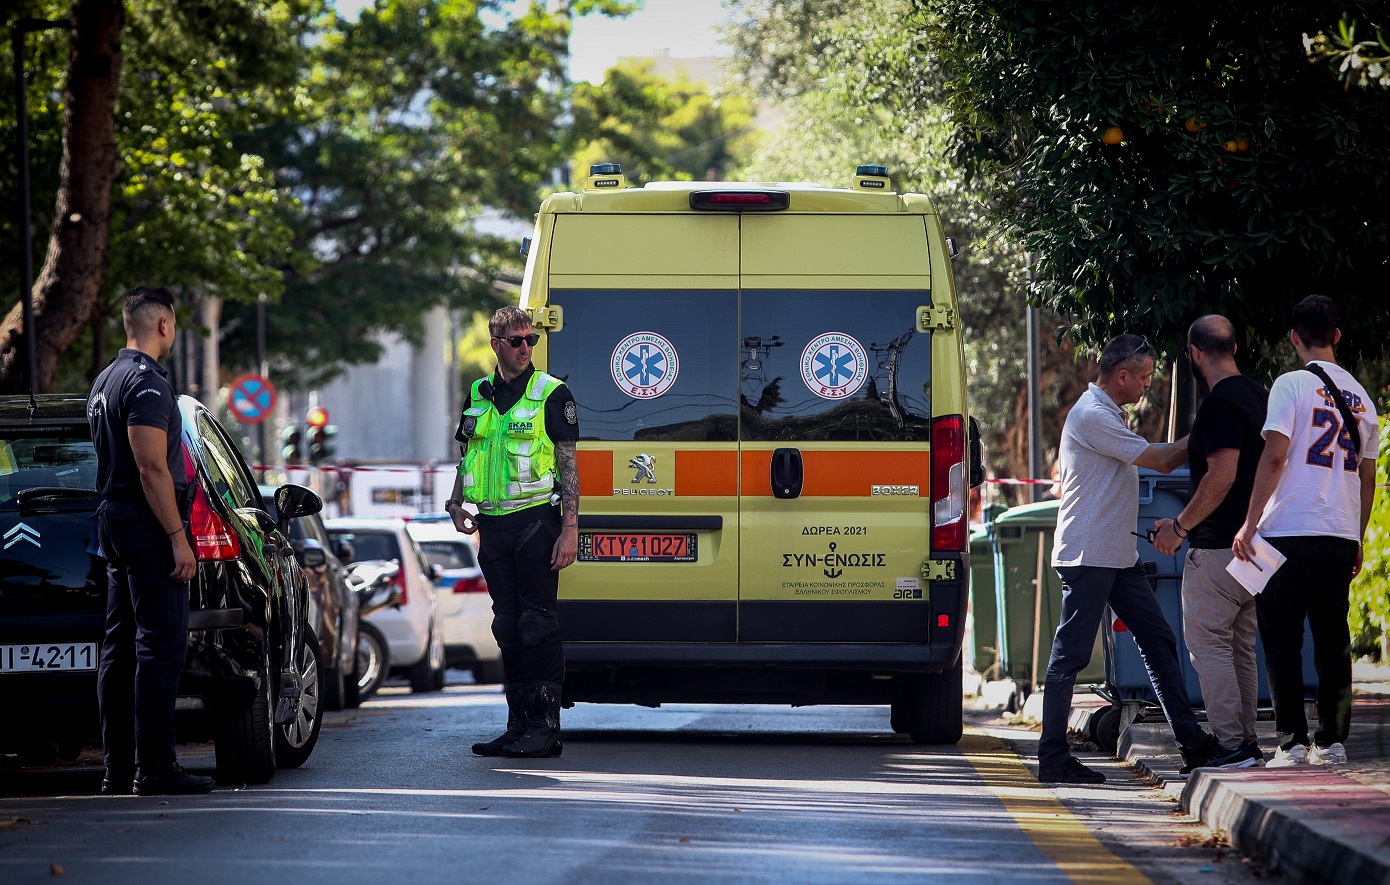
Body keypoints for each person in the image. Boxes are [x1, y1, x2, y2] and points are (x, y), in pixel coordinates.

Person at [1039, 333, 1216, 784]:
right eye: (1143, 377)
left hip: (1116, 554)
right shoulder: (1092, 415)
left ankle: (1192, 744)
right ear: (1121, 376)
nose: (1146, 386)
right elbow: (1159, 461)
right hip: (1089, 555)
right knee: (1070, 657)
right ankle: (1053, 758)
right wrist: (1210, 434)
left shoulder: (1105, 413)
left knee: (1158, 641)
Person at [1233, 294, 1379, 768]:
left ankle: (1293, 743)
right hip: (1338, 532)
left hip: (1288, 529)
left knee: (1282, 640)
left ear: (1294, 338)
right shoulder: (1363, 400)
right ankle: (1333, 741)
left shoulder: (1290, 385)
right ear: (1337, 336)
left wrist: (1250, 522)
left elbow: (1274, 456)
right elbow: (1368, 475)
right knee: (1333, 640)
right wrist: (1357, 537)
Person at [88, 287, 213, 796]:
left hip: (115, 526)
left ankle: (117, 767)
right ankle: (155, 766)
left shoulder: (104, 381)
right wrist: (177, 538)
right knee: (159, 650)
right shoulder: (146, 385)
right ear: (164, 325)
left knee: (118, 651)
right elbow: (150, 466)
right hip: (146, 527)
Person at [447, 306, 580, 759]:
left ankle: (545, 727)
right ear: (496, 345)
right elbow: (469, 454)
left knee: (537, 621)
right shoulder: (479, 393)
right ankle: (518, 723)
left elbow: (568, 463)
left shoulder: (550, 392)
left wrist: (570, 529)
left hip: (535, 521)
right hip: (493, 526)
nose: (526, 348)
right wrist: (454, 501)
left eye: (531, 340)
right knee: (507, 624)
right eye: (516, 341)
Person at [1151, 315, 1267, 769]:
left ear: (1195, 353)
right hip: (1256, 547)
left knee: (1210, 645)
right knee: (1240, 646)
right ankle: (1247, 742)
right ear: (1234, 347)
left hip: (1219, 546)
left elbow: (1221, 475)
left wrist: (1178, 527)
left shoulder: (1219, 405)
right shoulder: (1260, 398)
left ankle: (1232, 743)